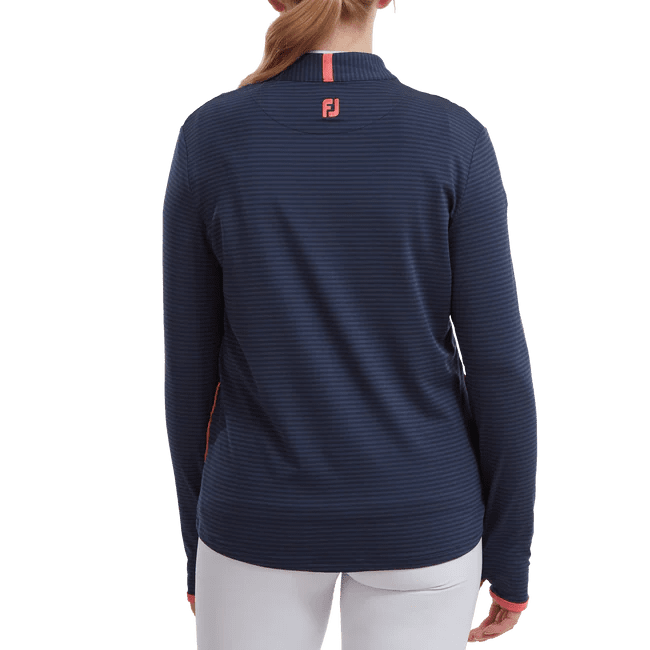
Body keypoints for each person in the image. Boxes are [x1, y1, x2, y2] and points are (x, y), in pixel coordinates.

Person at [161, 1, 538, 648]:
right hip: (423, 520)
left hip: (255, 518)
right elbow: (500, 371)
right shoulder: (453, 136)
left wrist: (199, 546)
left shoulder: (212, 136)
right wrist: (509, 557)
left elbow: (189, 372)